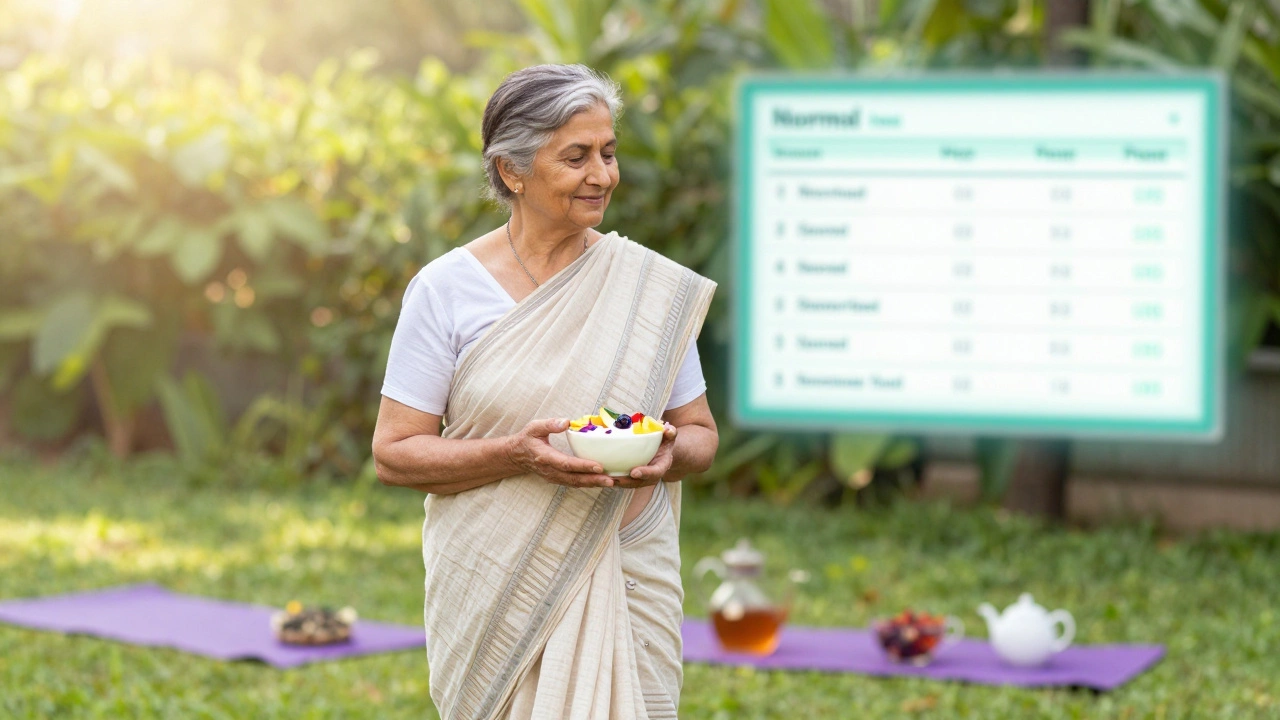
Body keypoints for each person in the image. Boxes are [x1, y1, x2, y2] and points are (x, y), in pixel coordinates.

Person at [372, 63, 718, 720]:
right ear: (512, 171)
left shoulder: (644, 293)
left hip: (623, 565)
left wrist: (669, 457)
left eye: (609, 153)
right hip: (494, 582)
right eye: (576, 156)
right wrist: (517, 455)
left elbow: (699, 432)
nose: (602, 175)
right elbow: (394, 454)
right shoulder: (447, 291)